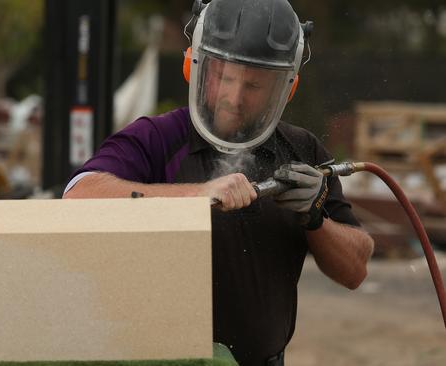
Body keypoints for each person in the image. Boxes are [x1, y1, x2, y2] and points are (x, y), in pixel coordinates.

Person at [63, 0, 374, 365]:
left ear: (286, 89)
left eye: (255, 85)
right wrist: (198, 195)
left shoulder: (301, 150)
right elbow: (79, 195)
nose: (234, 98)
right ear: (192, 66)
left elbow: (355, 269)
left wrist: (316, 218)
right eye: (223, 77)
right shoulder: (157, 139)